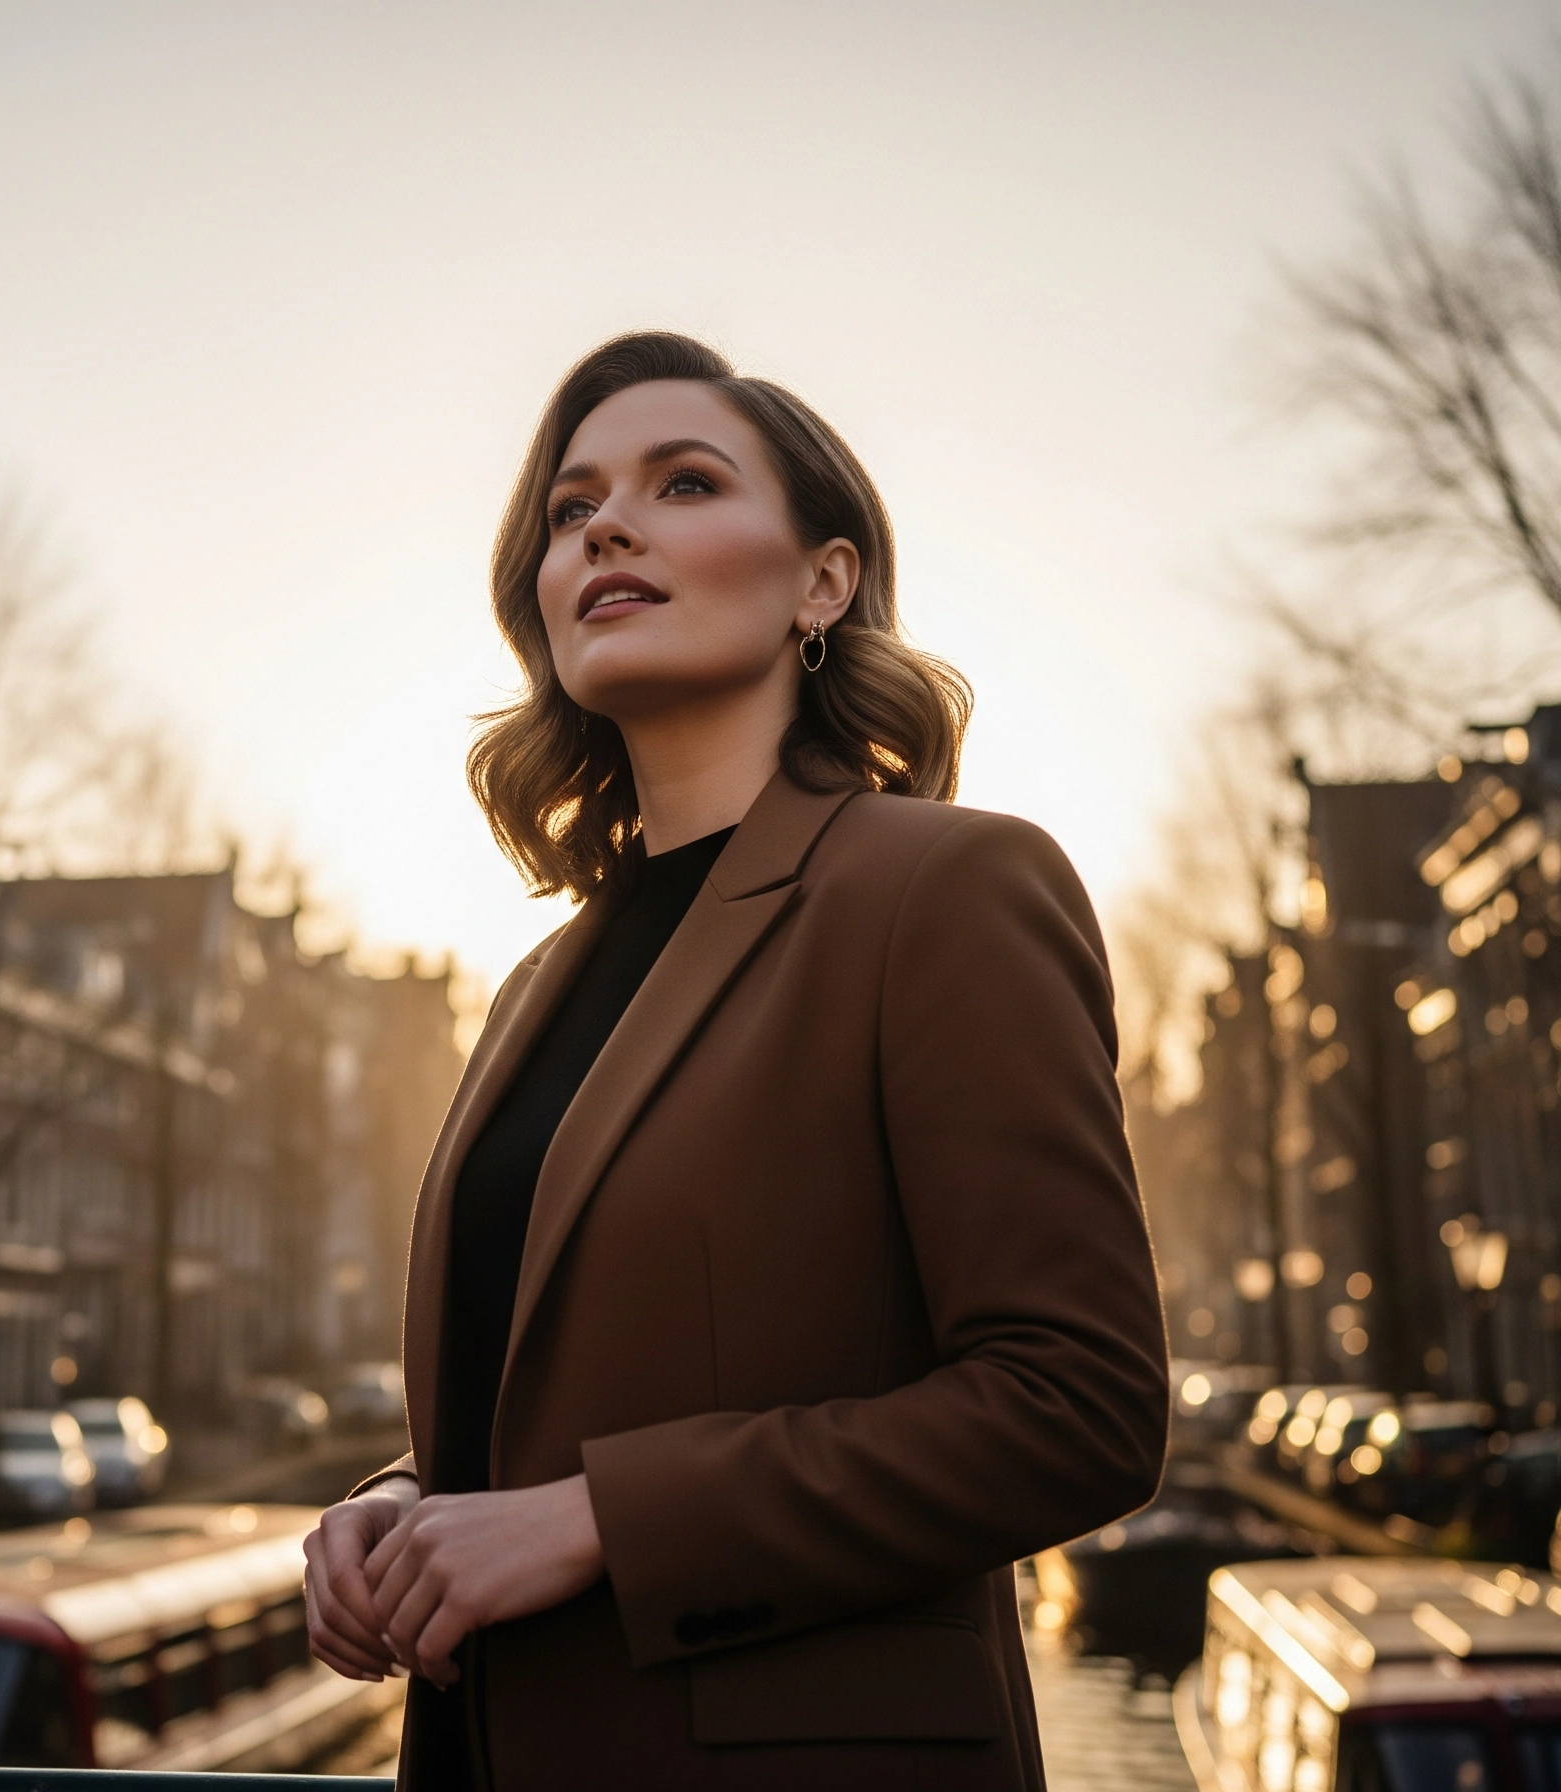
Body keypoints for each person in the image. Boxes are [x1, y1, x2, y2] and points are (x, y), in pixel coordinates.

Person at [302, 331, 1167, 1790]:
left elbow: (1077, 1404)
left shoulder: (946, 889)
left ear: (823, 582)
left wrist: (593, 1523)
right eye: (570, 511)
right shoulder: (532, 989)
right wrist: (408, 1501)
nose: (606, 527)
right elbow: (564, 1387)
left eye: (683, 483)